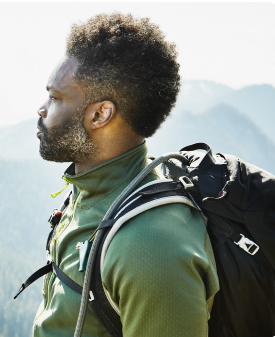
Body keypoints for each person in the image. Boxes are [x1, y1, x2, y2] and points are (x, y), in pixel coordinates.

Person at [33, 12, 219, 337]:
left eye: (55, 97)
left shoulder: (150, 245)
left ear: (100, 114)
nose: (42, 110)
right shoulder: (89, 193)